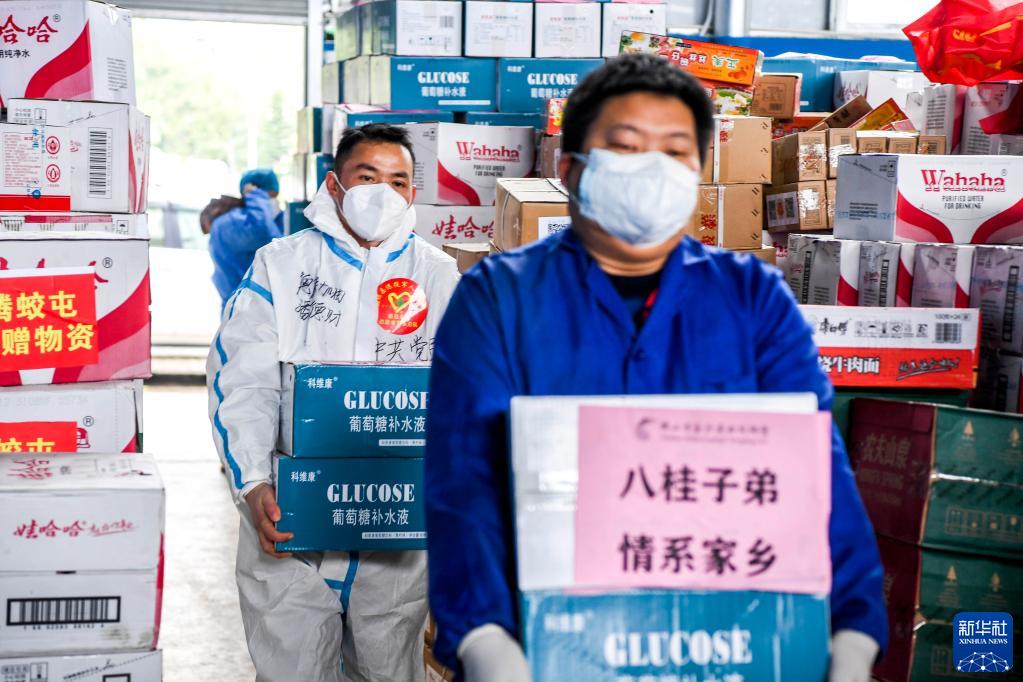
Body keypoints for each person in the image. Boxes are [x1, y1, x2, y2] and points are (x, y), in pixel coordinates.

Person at [424, 54, 888, 682]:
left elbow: (815, 474)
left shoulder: (754, 299)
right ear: (570, 168)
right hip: (550, 650)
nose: (651, 169)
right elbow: (463, 484)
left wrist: (854, 635)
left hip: (730, 646)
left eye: (674, 153)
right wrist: (484, 641)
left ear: (698, 173)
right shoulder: (496, 299)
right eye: (625, 146)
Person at [207, 124, 460, 682]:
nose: (383, 192)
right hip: (291, 516)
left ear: (414, 194)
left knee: (388, 668)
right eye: (367, 177)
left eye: (398, 181)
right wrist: (252, 484)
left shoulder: (438, 275)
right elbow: (243, 383)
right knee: (292, 667)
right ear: (335, 185)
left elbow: (459, 398)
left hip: (394, 524)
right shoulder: (283, 265)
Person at [209, 168, 284, 308]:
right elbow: (261, 231)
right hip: (240, 310)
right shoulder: (230, 223)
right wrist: (255, 195)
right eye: (268, 198)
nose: (272, 203)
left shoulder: (272, 220)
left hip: (263, 309)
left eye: (275, 197)